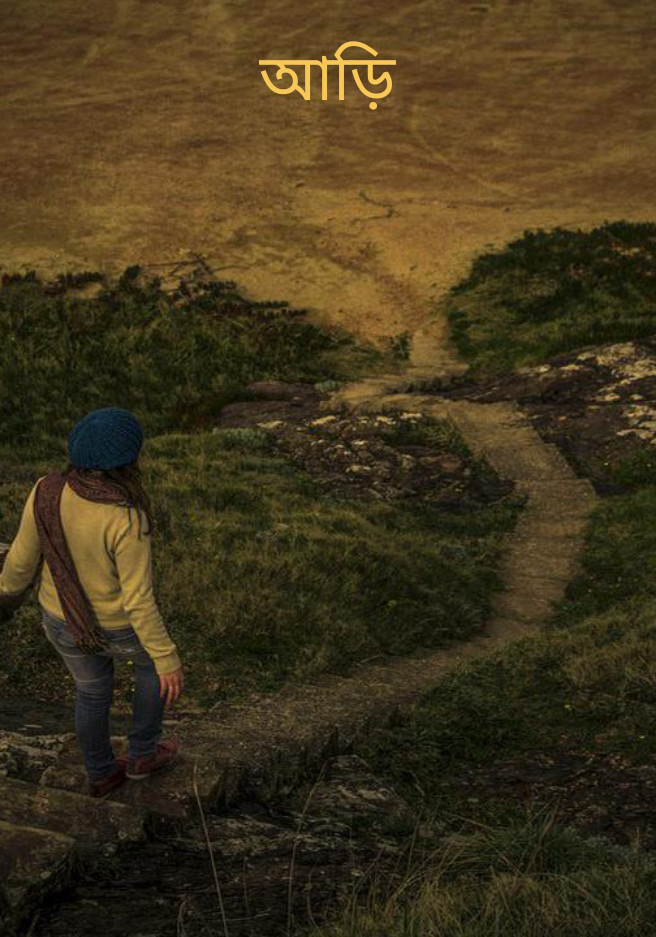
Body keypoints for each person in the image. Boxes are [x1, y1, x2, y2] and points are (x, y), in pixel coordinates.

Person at [0, 407, 184, 798]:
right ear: (129, 459)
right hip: (118, 627)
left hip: (62, 620)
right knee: (151, 667)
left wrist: (4, 597)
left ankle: (101, 773)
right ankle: (142, 755)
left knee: (92, 692)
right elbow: (138, 599)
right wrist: (166, 657)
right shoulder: (126, 517)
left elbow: (20, 561)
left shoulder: (46, 489)